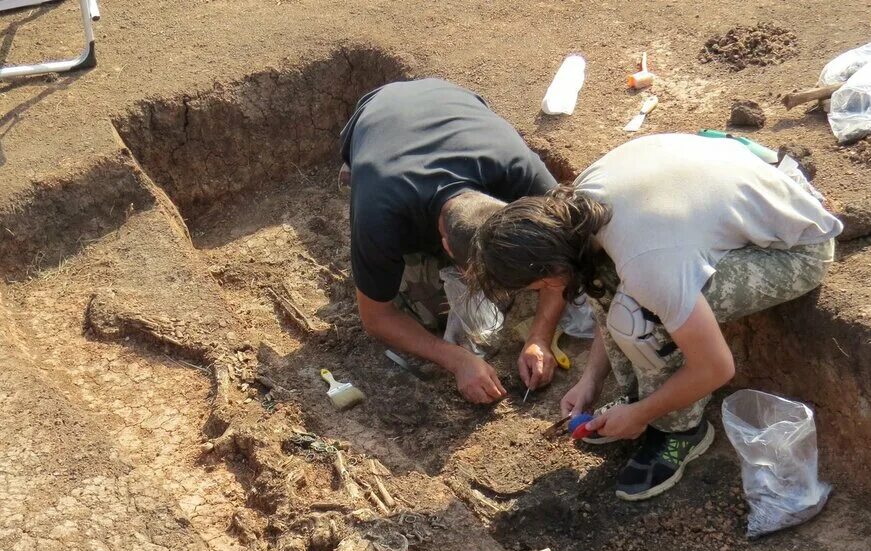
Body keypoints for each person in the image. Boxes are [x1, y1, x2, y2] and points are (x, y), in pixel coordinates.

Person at [470, 132, 842, 500]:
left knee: (643, 319)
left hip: (797, 247)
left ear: (548, 268)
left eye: (537, 286)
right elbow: (604, 284)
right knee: (604, 282)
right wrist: (591, 380)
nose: (543, 293)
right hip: (735, 198)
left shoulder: (648, 262)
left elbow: (715, 367)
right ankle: (638, 397)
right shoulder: (578, 208)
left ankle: (679, 431)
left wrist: (645, 412)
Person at [339, 78, 565, 404]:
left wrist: (539, 338)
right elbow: (376, 317)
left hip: (446, 98)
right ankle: (350, 174)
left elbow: (562, 258)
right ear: (446, 246)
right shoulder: (380, 214)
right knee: (428, 311)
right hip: (378, 116)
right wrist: (456, 359)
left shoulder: (518, 170)